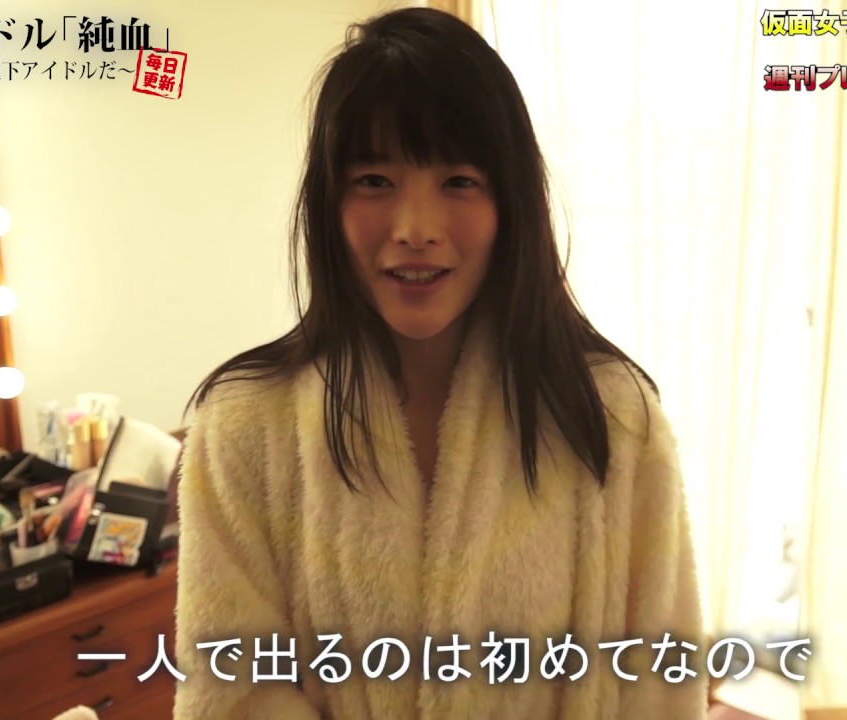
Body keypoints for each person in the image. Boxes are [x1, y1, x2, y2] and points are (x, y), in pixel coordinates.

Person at [174, 7, 705, 719]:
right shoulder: (245, 425)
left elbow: (663, 685)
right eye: (374, 180)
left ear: (512, 202)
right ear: (327, 204)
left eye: (458, 181)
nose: (415, 230)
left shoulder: (612, 416)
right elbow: (232, 693)